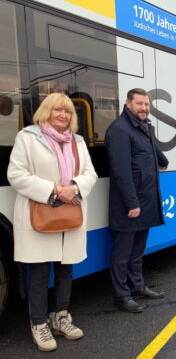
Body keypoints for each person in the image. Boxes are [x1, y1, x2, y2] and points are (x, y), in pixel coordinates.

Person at [7, 93, 97, 351]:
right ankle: (38, 323)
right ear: (46, 111)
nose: (63, 115)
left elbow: (91, 172)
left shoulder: (77, 141)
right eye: (57, 110)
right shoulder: (28, 137)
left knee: (66, 269)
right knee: (38, 272)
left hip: (70, 212)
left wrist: (75, 187)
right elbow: (16, 174)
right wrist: (54, 190)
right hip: (40, 212)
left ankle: (60, 316)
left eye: (68, 111)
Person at [105, 88, 169, 313]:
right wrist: (132, 204)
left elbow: (151, 149)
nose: (144, 108)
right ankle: (121, 295)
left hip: (146, 201)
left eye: (147, 104)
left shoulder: (143, 127)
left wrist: (163, 159)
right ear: (128, 104)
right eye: (140, 104)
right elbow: (121, 172)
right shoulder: (119, 130)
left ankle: (138, 286)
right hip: (130, 205)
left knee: (138, 250)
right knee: (122, 254)